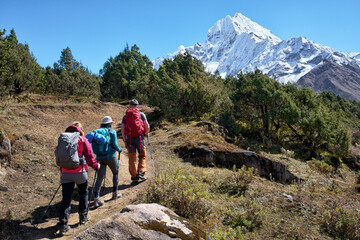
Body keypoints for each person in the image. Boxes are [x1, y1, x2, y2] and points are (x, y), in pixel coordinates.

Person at [57, 122, 100, 236]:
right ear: (80, 129)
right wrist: (96, 166)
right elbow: (90, 157)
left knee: (66, 198)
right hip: (80, 172)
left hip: (65, 172)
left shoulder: (63, 138)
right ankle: (83, 217)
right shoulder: (82, 139)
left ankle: (63, 224)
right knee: (83, 193)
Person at [93, 116, 123, 207]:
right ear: (110, 123)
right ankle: (115, 193)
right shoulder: (112, 132)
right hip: (110, 156)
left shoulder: (96, 132)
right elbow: (114, 145)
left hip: (99, 157)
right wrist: (120, 149)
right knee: (115, 172)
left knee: (99, 177)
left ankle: (96, 198)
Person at [121, 99, 150, 184]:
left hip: (129, 139)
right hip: (139, 138)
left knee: (132, 158)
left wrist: (125, 140)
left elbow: (123, 130)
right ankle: (141, 171)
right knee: (142, 155)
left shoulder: (126, 116)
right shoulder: (141, 114)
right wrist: (146, 133)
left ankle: (134, 177)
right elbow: (147, 126)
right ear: (137, 106)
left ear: (130, 105)